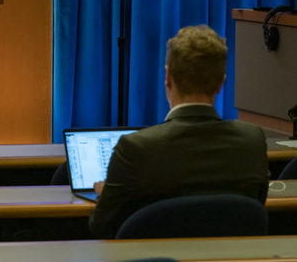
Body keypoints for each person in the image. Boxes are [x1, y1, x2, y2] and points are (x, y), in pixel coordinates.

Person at [88, 24, 270, 239]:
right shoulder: (252, 141)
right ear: (222, 83)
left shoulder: (135, 149)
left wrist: (105, 195)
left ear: (168, 77)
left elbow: (101, 228)